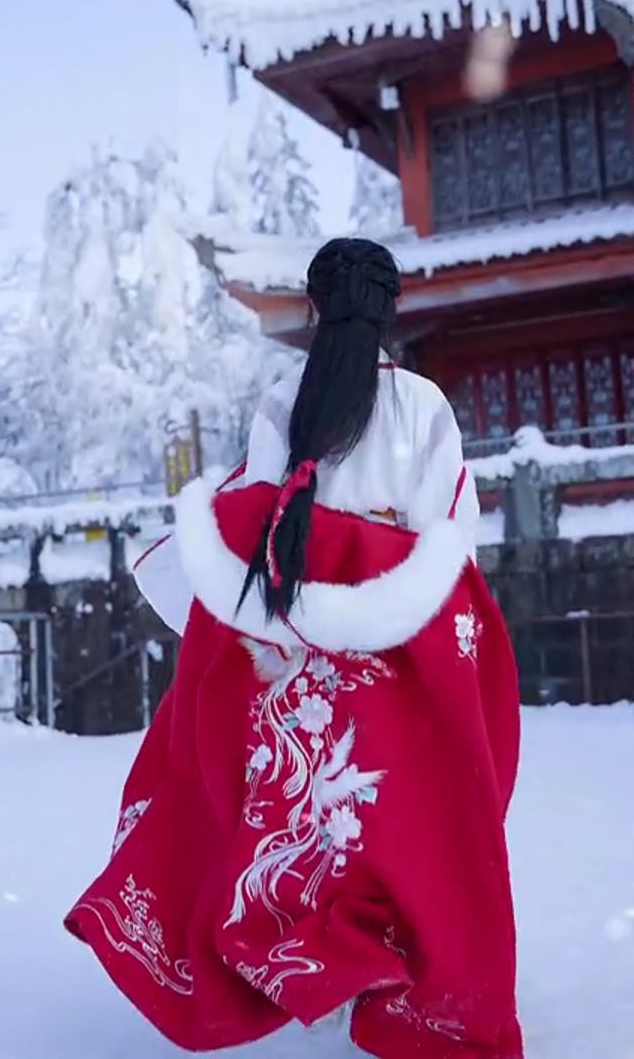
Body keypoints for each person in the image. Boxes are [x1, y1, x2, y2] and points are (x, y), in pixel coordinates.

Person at [65, 238, 523, 1059]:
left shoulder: (286, 399)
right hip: (398, 641)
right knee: (407, 824)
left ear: (312, 311)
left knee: (284, 813)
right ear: (390, 313)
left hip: (285, 638)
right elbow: (452, 528)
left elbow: (254, 509)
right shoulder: (423, 403)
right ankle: (391, 978)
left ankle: (291, 962)